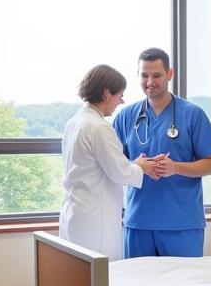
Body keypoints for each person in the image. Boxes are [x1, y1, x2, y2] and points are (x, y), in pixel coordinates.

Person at [112, 47, 211, 258]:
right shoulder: (126, 117)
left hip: (182, 224)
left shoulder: (193, 114)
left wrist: (175, 168)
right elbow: (114, 165)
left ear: (169, 74)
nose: (149, 82)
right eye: (144, 75)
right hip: (139, 222)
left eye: (156, 75)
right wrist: (137, 165)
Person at [60, 64, 159, 261]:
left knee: (77, 275)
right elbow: (120, 172)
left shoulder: (76, 122)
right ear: (106, 94)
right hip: (95, 220)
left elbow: (104, 165)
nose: (121, 101)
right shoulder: (98, 127)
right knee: (100, 279)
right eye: (119, 95)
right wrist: (143, 166)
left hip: (76, 213)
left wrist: (134, 165)